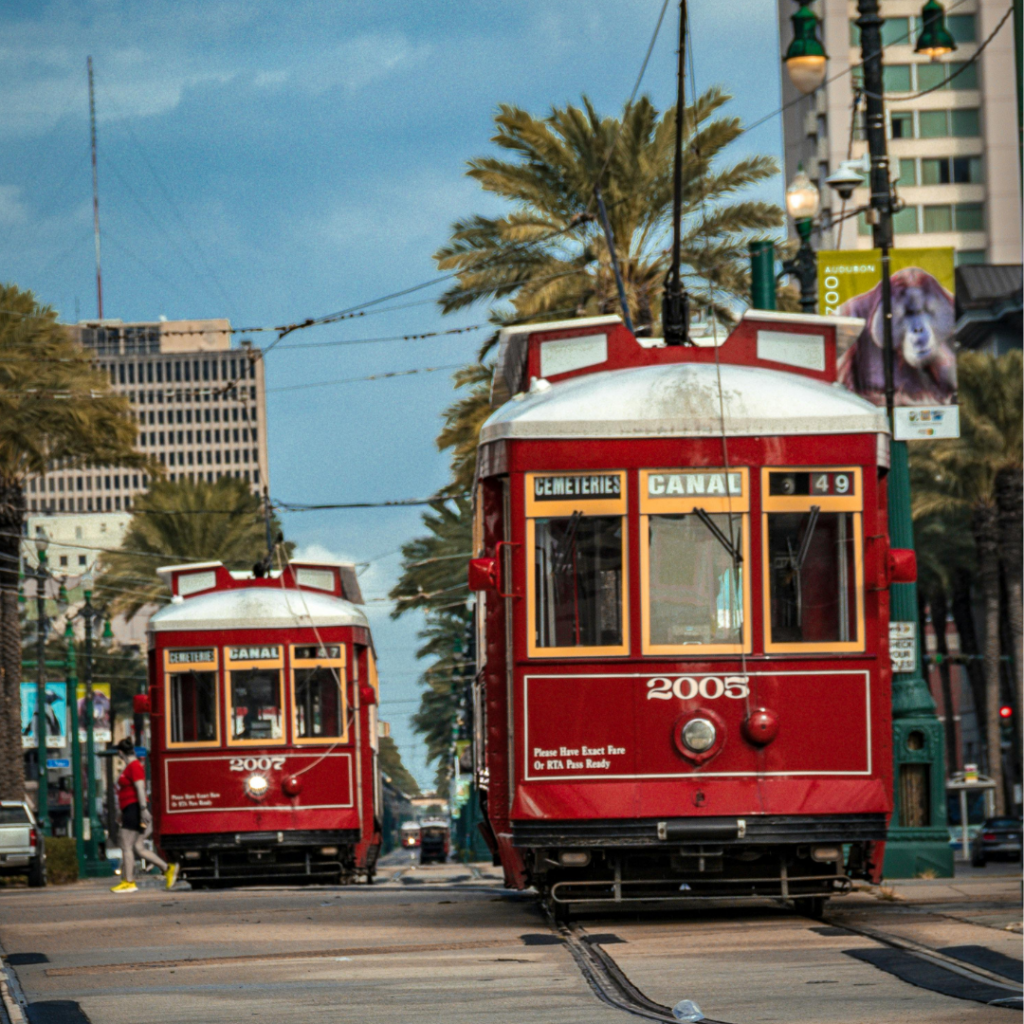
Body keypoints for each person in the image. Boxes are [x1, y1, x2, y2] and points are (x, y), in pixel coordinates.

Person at [110, 737, 178, 893]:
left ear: (121, 753)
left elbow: (140, 788)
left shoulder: (134, 766)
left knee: (125, 845)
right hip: (131, 809)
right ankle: (167, 868)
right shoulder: (132, 766)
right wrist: (122, 811)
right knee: (138, 847)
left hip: (134, 809)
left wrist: (142, 809)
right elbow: (129, 792)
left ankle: (129, 882)